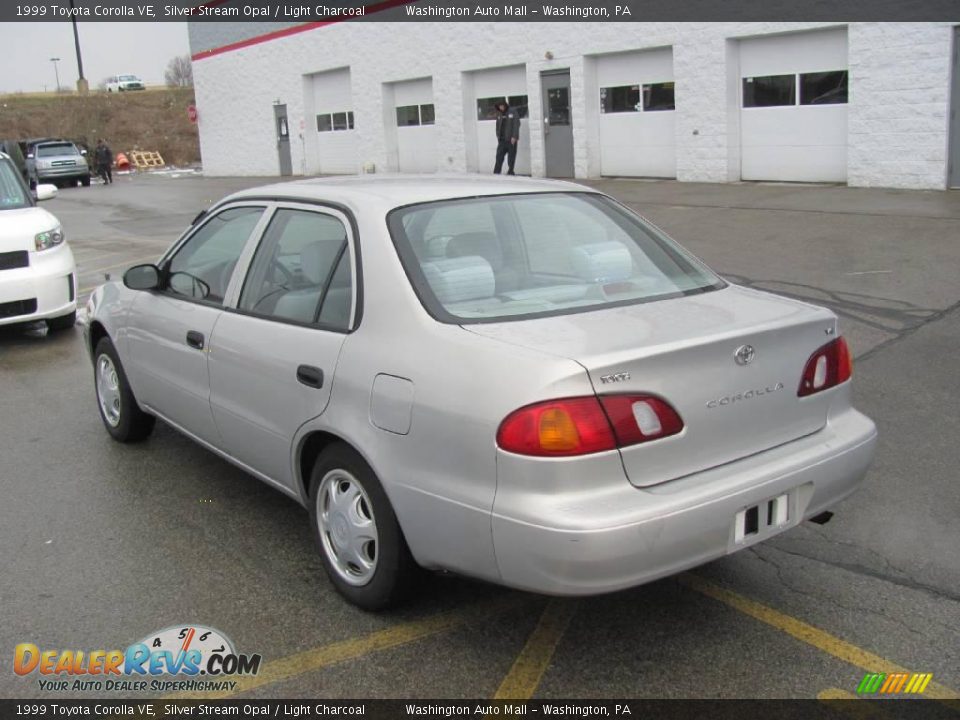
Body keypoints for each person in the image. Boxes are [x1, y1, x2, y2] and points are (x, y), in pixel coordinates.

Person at [493, 100, 520, 175]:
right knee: (499, 157)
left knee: (511, 158)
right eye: (499, 106)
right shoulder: (499, 114)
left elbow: (516, 124)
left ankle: (510, 172)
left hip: (511, 140)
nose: (501, 108)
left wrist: (514, 136)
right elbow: (497, 125)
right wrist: (498, 135)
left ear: (505, 105)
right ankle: (496, 173)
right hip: (502, 140)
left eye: (502, 106)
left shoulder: (512, 111)